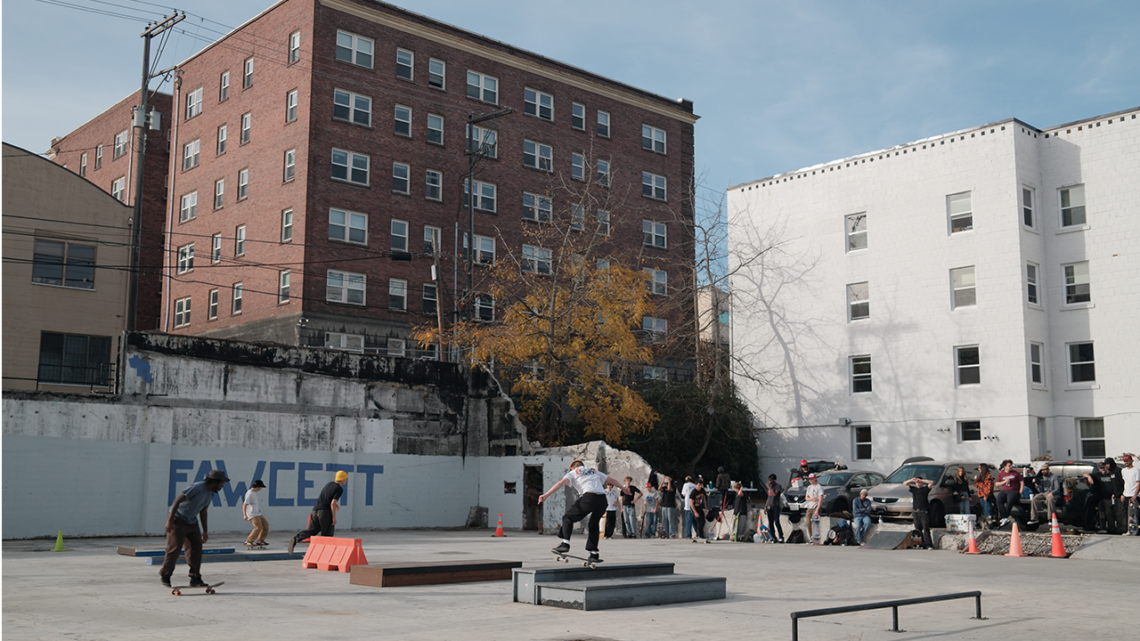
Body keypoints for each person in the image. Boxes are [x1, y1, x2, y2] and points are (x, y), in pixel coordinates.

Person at [538, 460, 628, 563]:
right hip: (602, 500)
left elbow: (560, 483)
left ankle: (565, 544)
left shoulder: (572, 472)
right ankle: (594, 553)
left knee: (568, 517)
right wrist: (623, 488)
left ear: (571, 468)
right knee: (593, 524)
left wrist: (546, 495)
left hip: (589, 498)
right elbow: (612, 480)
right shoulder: (593, 470)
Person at [160, 469, 228, 588]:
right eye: (222, 483)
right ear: (215, 481)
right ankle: (165, 575)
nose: (222, 486)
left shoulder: (211, 493)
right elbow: (177, 500)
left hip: (192, 521)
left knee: (196, 549)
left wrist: (205, 531)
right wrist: (170, 521)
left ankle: (195, 578)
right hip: (178, 519)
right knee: (174, 549)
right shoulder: (197, 487)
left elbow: (203, 511)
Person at [288, 470, 347, 553]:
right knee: (327, 534)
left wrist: (334, 505)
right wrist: (334, 517)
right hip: (325, 512)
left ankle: (297, 537)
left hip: (315, 510)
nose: (346, 481)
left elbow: (326, 498)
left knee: (313, 530)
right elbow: (333, 503)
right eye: (346, 479)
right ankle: (325, 553)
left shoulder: (329, 484)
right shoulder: (339, 488)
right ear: (343, 479)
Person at [904, 475, 935, 549]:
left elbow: (931, 482)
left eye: (919, 482)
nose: (918, 484)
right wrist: (912, 480)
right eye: (917, 483)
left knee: (926, 529)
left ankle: (928, 545)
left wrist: (922, 480)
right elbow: (905, 483)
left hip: (923, 512)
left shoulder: (925, 489)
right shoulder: (914, 490)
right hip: (916, 512)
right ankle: (921, 544)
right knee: (918, 529)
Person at [994, 460, 1022, 527]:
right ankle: (1003, 517)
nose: (1011, 467)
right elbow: (997, 484)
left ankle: (1005, 516)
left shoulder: (1016, 473)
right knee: (999, 500)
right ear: (1005, 467)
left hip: (1013, 491)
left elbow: (1022, 482)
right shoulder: (1001, 474)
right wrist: (1004, 482)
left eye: (1011, 465)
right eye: (1009, 465)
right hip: (1004, 491)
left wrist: (1020, 491)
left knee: (1010, 500)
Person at [242, 479, 268, 548]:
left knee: (266, 525)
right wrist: (245, 515)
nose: (261, 489)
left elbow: (254, 504)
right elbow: (244, 504)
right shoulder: (249, 493)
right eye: (261, 487)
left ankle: (260, 541)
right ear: (258, 487)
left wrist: (258, 510)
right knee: (258, 527)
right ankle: (248, 541)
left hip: (258, 513)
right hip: (252, 514)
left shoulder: (254, 493)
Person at [1121, 454, 1139, 536]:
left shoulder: (1136, 470)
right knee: (1126, 514)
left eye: (1127, 461)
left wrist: (1135, 494)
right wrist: (1123, 494)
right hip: (1126, 494)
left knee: (1133, 514)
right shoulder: (1123, 471)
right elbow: (1124, 483)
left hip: (1133, 495)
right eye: (1124, 461)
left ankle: (1134, 531)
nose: (1126, 462)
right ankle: (1128, 530)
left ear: (1131, 461)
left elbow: (1138, 483)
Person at [764, 474, 784, 543]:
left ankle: (781, 536)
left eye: (771, 480)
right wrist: (765, 506)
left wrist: (769, 487)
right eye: (769, 480)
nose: (769, 481)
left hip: (775, 506)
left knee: (776, 521)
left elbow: (774, 494)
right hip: (769, 506)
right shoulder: (770, 487)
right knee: (770, 522)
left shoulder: (778, 486)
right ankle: (773, 536)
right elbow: (768, 497)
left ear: (774, 480)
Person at [804, 473, 824, 544]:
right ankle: (811, 538)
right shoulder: (809, 487)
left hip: (816, 506)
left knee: (815, 523)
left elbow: (821, 499)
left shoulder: (819, 487)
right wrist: (811, 499)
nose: (810, 480)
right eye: (809, 479)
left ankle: (816, 539)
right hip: (810, 506)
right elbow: (806, 498)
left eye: (811, 479)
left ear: (815, 479)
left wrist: (817, 510)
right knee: (808, 523)